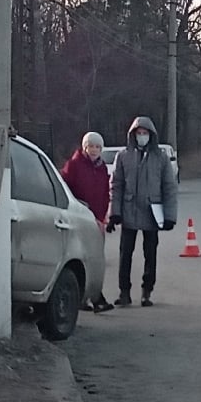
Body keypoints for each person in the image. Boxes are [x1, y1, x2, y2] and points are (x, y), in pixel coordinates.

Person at [108, 115, 177, 306]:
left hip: (152, 212)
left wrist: (170, 216)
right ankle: (124, 292)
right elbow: (116, 185)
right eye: (139, 133)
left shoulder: (160, 158)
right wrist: (114, 213)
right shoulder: (123, 156)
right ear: (133, 135)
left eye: (145, 133)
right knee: (125, 254)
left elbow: (169, 187)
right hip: (129, 211)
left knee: (150, 253)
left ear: (151, 135)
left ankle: (147, 291)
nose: (142, 136)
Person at [59, 131, 114, 312]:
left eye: (98, 147)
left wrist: (102, 217)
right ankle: (92, 298)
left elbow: (106, 193)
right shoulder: (74, 165)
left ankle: (93, 296)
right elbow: (65, 188)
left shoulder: (102, 168)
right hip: (80, 218)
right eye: (91, 146)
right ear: (84, 147)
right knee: (83, 257)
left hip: (97, 220)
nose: (94, 150)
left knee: (97, 258)